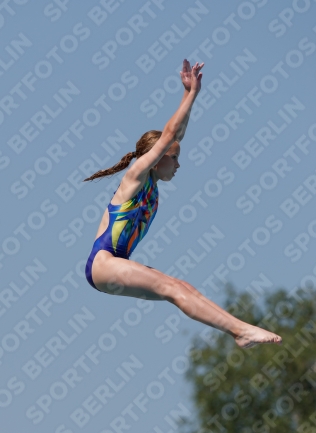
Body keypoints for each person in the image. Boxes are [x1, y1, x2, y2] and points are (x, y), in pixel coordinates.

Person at [83, 59, 282, 349]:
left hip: (114, 263)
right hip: (104, 262)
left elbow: (175, 135)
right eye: (173, 157)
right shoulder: (136, 176)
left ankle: (240, 331)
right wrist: (189, 95)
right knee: (173, 288)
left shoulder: (150, 185)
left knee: (181, 288)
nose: (178, 164)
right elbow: (169, 135)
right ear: (156, 156)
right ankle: (242, 332)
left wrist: (191, 94)